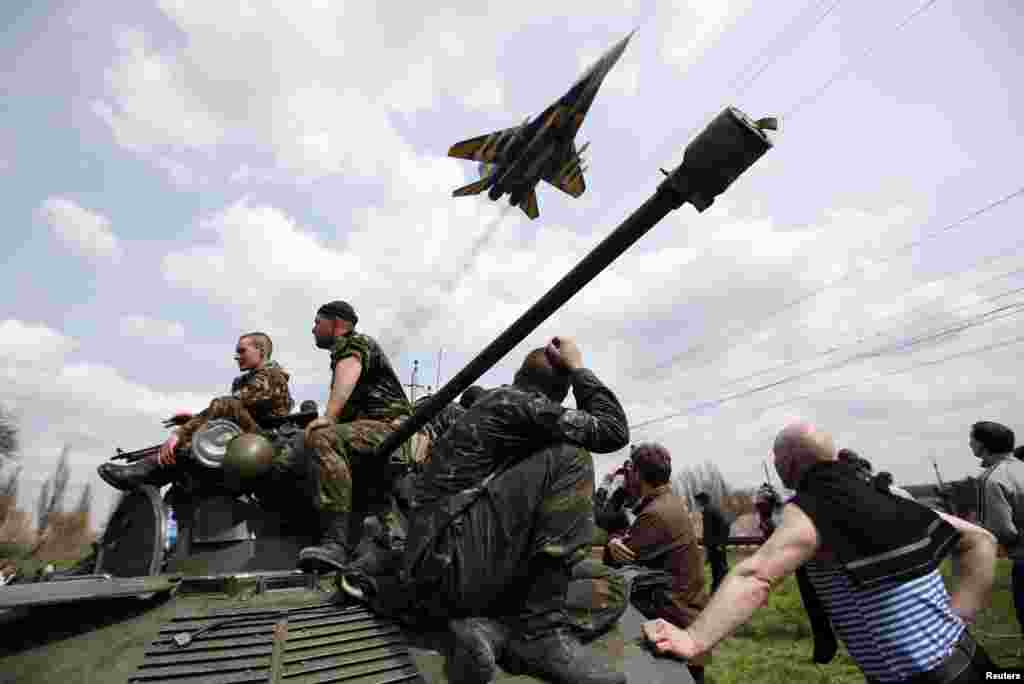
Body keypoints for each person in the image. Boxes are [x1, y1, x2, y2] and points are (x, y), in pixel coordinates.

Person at [341, 337, 629, 684]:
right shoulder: (511, 403)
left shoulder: (510, 418)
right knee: (573, 456)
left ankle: (492, 631)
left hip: (463, 567)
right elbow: (612, 431)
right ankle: (537, 635)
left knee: (611, 585)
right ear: (557, 393)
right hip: (451, 565)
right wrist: (579, 368)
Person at [644, 421, 999, 683]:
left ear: (789, 461)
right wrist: (959, 617)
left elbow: (756, 575)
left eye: (776, 456)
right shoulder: (883, 496)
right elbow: (981, 540)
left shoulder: (815, 506)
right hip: (969, 660)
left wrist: (692, 639)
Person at [98, 332, 294, 491]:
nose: (237, 356)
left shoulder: (271, 376)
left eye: (242, 351)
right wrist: (194, 420)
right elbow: (236, 414)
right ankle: (152, 471)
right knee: (200, 435)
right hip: (248, 438)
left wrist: (179, 434)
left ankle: (150, 469)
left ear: (260, 351)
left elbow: (230, 406)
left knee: (222, 407)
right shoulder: (247, 379)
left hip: (268, 444)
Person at [299, 300, 413, 572]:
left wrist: (329, 417)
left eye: (317, 322)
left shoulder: (352, 344)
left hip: (388, 430)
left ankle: (335, 544)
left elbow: (348, 372)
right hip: (377, 433)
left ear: (336, 324)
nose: (313, 329)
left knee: (323, 437)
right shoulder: (347, 349)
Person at [604, 443, 710, 683]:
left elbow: (619, 557)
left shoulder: (654, 513)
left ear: (638, 475)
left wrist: (612, 540)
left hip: (672, 618)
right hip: (686, 612)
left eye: (631, 472)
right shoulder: (671, 502)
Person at [971, 420, 1024, 634]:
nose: (969, 443)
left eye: (972, 439)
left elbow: (1002, 531)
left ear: (983, 444)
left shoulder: (990, 479)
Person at [694, 492, 729, 593]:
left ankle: (719, 592)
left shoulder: (710, 511)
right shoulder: (709, 510)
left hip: (716, 547)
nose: (697, 503)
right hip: (713, 546)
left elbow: (725, 524)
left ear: (702, 501)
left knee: (720, 570)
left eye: (698, 500)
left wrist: (720, 544)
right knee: (716, 570)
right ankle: (716, 591)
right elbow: (709, 531)